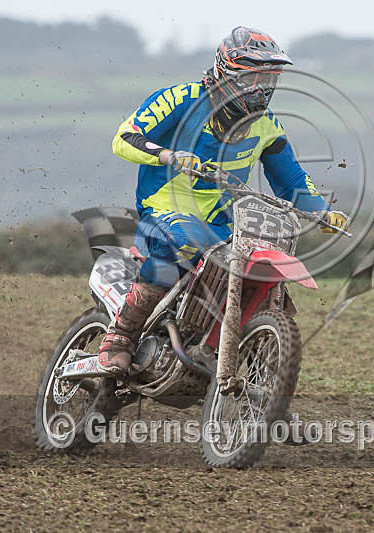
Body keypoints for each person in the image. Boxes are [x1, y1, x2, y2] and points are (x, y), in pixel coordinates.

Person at [98, 26, 349, 376]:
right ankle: (121, 335)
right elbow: (124, 139)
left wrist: (324, 212)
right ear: (227, 74)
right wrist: (168, 155)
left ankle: (264, 392)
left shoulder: (266, 127)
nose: (262, 90)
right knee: (185, 243)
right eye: (253, 79)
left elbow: (291, 182)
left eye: (269, 80)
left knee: (269, 278)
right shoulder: (180, 100)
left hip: (223, 221)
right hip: (166, 208)